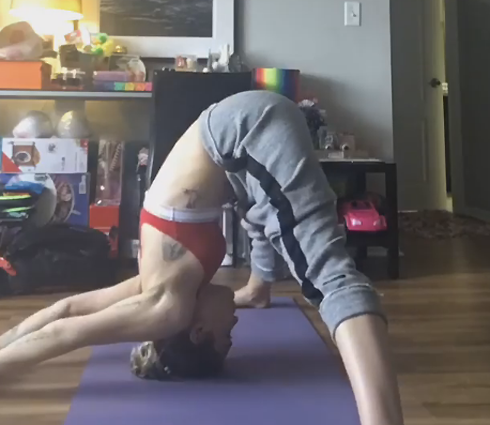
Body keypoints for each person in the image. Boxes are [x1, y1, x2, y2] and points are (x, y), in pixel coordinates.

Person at [0, 91, 403, 425]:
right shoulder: (165, 281)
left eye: (227, 336)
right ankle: (259, 286)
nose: (235, 325)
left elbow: (66, 332)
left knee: (327, 276)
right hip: (235, 136)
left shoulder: (167, 308)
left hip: (245, 128)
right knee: (262, 213)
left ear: (197, 331)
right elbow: (67, 307)